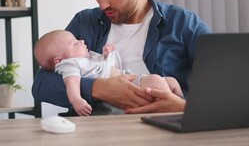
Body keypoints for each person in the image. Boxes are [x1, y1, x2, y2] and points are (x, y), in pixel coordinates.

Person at [32, 0, 211, 114]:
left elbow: (225, 88)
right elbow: (41, 85)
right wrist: (99, 88)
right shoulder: (85, 23)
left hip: (164, 135)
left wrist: (181, 107)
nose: (102, 5)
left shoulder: (183, 23)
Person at [34, 29, 183, 116]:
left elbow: (109, 67)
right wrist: (77, 100)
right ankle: (168, 115)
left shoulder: (88, 58)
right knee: (157, 81)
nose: (81, 41)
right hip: (129, 87)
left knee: (171, 81)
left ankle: (178, 113)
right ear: (59, 61)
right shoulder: (70, 65)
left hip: (130, 78)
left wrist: (107, 55)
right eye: (74, 43)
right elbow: (68, 83)